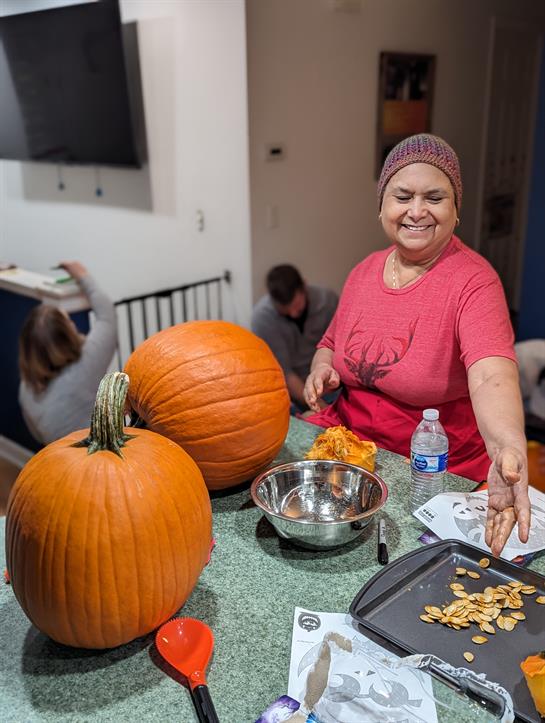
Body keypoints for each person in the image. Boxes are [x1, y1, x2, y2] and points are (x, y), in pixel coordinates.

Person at [303, 133, 530, 557]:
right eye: (402, 196)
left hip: (425, 464)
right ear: (383, 207)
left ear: (456, 209)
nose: (417, 211)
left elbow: (491, 374)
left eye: (435, 197)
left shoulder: (474, 282)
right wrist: (322, 367)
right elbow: (330, 343)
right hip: (349, 447)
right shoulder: (364, 271)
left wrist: (507, 446)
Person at [19, 261, 117, 444]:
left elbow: (39, 436)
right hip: (105, 457)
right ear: (67, 335)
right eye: (68, 321)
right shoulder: (86, 363)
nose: (73, 324)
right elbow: (107, 317)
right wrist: (82, 275)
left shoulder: (26, 389)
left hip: (62, 463)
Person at [252, 264, 338, 411]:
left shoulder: (328, 301)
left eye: (297, 305)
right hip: (289, 392)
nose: (293, 314)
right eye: (285, 310)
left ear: (304, 286)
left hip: (329, 381)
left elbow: (336, 347)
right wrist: (320, 407)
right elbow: (284, 373)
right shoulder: (263, 318)